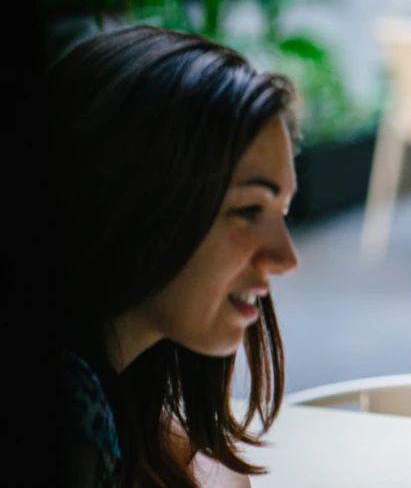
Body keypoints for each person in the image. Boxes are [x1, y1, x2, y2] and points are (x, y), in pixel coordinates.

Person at [46, 25, 300, 487]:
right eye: (248, 210)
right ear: (137, 200)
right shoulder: (66, 415)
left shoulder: (121, 398)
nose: (286, 258)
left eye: (282, 212)